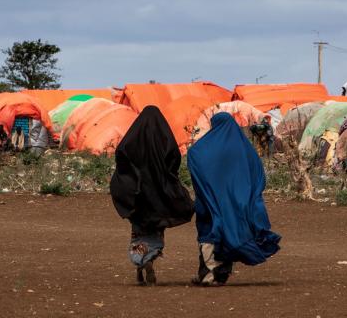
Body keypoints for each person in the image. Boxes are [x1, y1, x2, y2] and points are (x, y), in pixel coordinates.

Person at [186, 112, 280, 286]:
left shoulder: (205, 148)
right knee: (230, 232)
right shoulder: (244, 148)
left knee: (209, 231)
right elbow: (257, 174)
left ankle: (208, 273)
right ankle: (221, 273)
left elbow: (195, 159)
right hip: (237, 201)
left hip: (210, 200)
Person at [110, 106, 194, 286]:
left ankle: (140, 264)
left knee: (139, 229)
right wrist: (166, 176)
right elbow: (174, 158)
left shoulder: (133, 137)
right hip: (159, 190)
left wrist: (130, 178)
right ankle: (151, 257)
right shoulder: (164, 137)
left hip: (138, 193)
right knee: (157, 226)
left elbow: (121, 154)